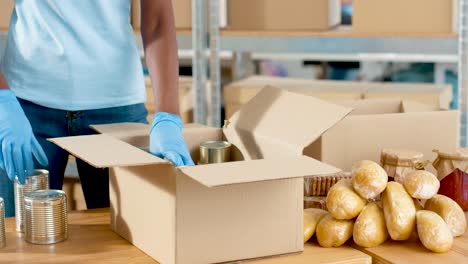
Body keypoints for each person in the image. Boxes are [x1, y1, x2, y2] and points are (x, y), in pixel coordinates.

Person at [0, 1, 194, 217]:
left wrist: (167, 116)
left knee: (132, 239)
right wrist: (2, 100)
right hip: (25, 107)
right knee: (19, 236)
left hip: (116, 109)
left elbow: (157, 18)